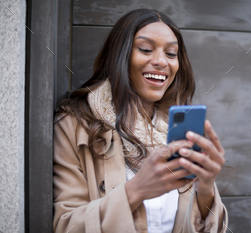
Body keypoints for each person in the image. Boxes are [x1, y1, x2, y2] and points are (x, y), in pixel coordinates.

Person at [53, 8, 228, 233]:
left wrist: (205, 189)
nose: (161, 61)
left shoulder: (178, 131)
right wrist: (135, 191)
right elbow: (65, 225)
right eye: (146, 49)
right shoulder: (76, 124)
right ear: (120, 55)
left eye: (171, 53)